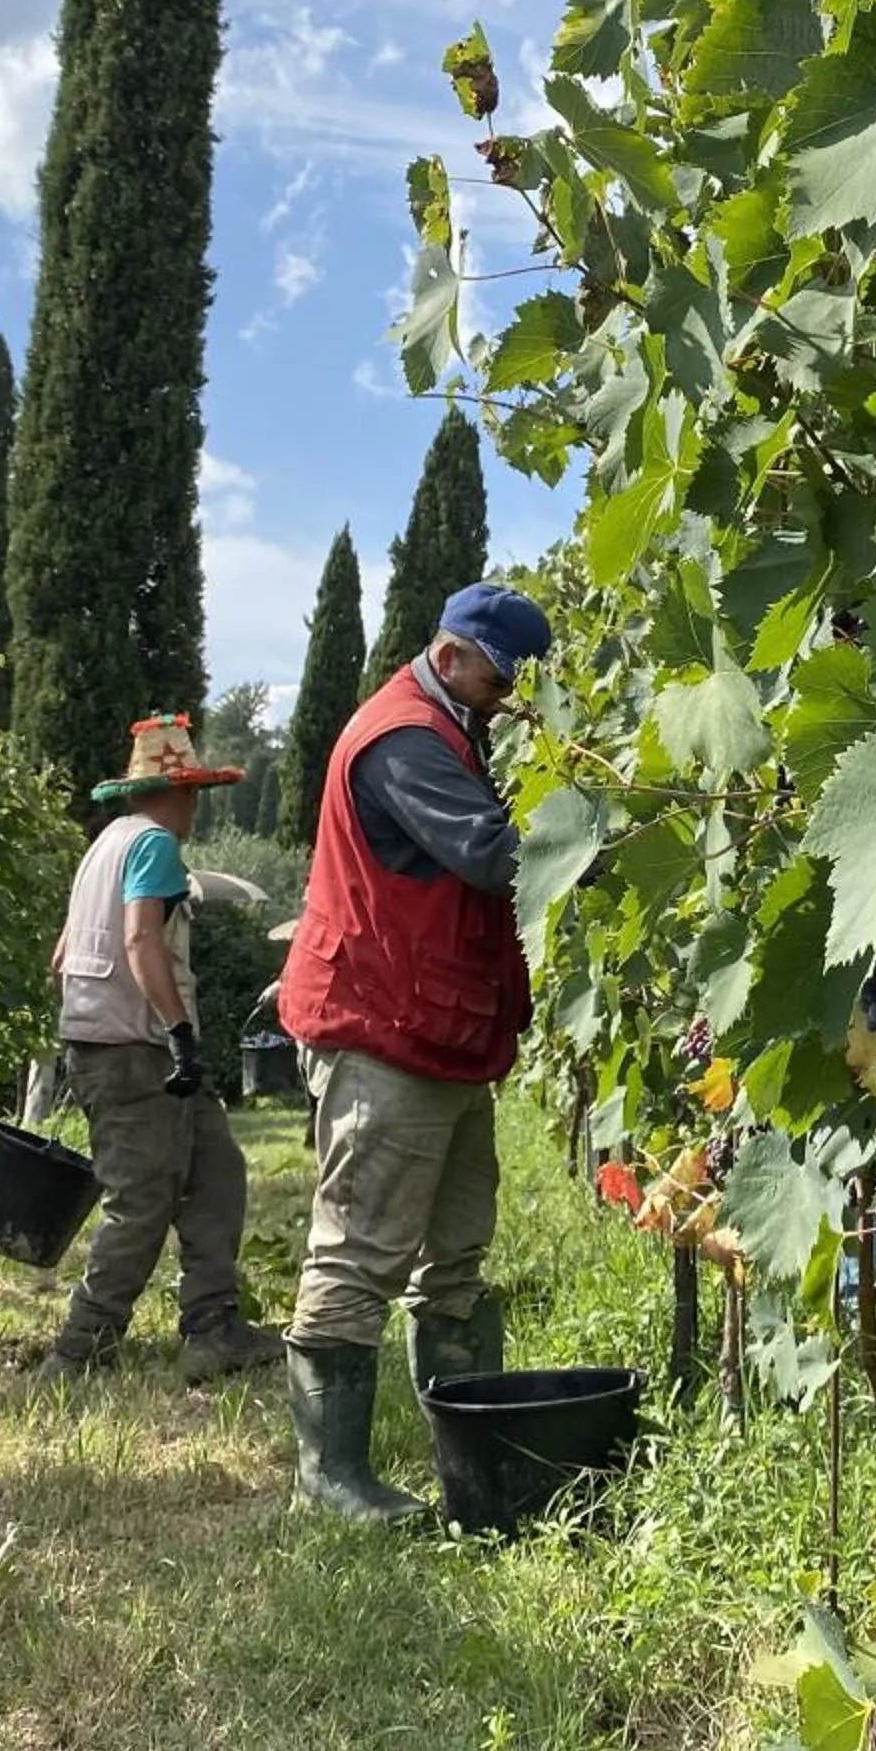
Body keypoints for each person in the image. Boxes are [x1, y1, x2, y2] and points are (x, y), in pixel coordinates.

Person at [276, 582, 554, 1521]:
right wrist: (605, 829)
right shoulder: (402, 739)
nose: (509, 699)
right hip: (382, 1028)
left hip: (438, 1032)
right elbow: (487, 853)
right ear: (450, 657)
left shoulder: (451, 729)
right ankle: (329, 1479)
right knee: (359, 1252)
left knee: (457, 1252)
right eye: (500, 679)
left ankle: (470, 1455)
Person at [42, 712, 284, 1384]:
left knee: (217, 1173)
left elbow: (63, 958)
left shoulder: (104, 846)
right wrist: (176, 1033)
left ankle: (213, 1328)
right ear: (181, 792)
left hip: (115, 1043)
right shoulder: (153, 846)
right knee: (141, 1199)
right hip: (139, 1048)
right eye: (196, 796)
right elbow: (142, 941)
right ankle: (81, 1347)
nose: (196, 811)